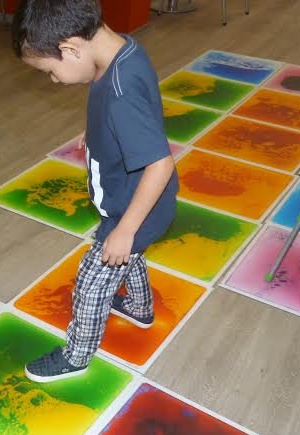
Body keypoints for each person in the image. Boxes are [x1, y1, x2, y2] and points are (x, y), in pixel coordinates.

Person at [12, 0, 178, 382]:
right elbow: (128, 113)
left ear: (71, 48)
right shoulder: (122, 51)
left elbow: (160, 164)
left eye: (50, 71)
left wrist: (125, 229)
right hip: (134, 200)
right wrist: (99, 129)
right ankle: (140, 308)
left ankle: (77, 356)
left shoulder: (120, 92)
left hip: (134, 208)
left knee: (91, 282)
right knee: (129, 257)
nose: (53, 80)